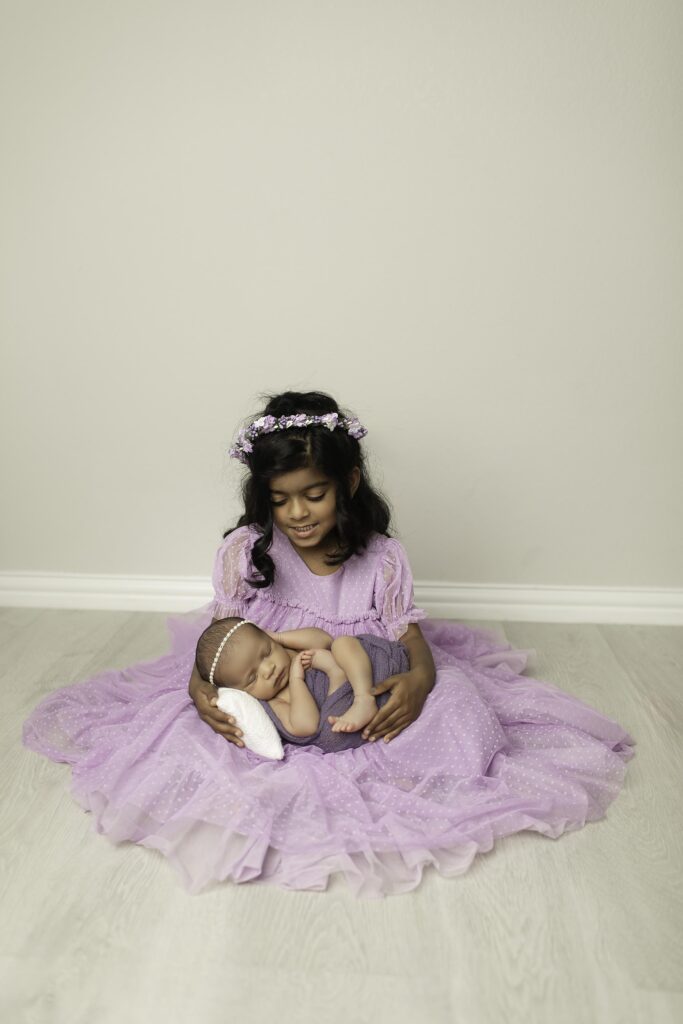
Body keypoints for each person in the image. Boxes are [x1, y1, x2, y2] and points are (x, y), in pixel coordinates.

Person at [22, 390, 636, 897]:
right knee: (202, 732)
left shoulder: (381, 560)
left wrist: (420, 683)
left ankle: (406, 770)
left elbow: (411, 642)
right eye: (281, 500)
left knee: (452, 707)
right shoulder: (247, 553)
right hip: (272, 677)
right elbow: (219, 641)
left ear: (348, 481)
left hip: (360, 672)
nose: (298, 514)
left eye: (313, 494)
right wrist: (199, 688)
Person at [195, 616, 411, 751]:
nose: (268, 669)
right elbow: (306, 726)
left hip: (367, 675)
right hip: (341, 713)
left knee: (342, 643)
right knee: (329, 738)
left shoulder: (287, 652)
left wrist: (278, 638)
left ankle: (363, 697)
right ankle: (338, 677)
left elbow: (323, 640)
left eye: (267, 652)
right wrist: (297, 681)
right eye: (253, 678)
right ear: (240, 692)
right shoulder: (273, 702)